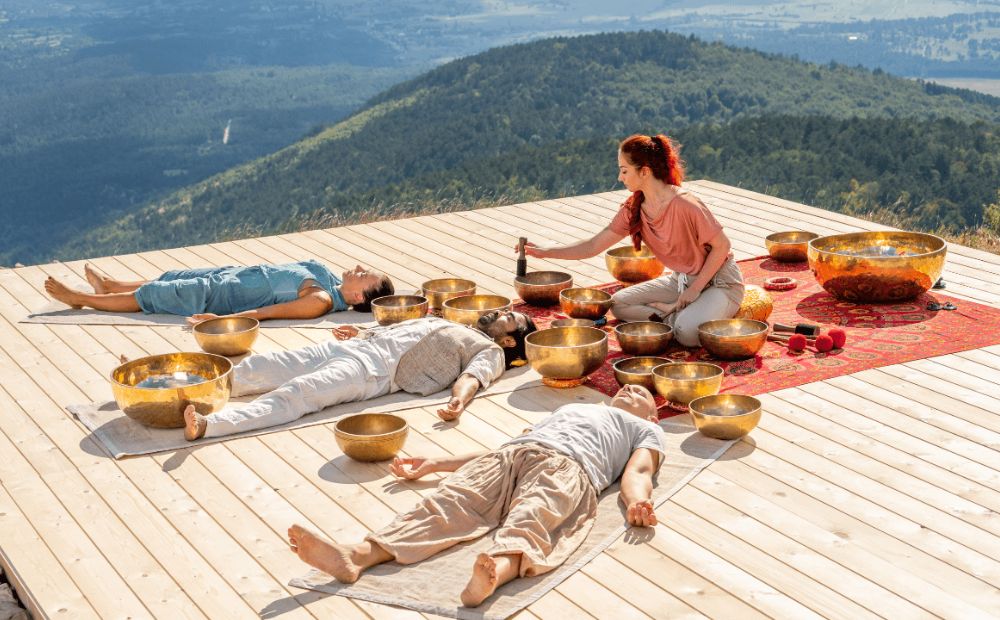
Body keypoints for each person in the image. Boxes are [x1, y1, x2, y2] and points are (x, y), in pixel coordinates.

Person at [286, 383, 665, 607]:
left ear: (652, 415)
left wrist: (636, 503)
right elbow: (507, 444)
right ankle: (356, 556)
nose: (631, 388)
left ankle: (492, 576)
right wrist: (437, 464)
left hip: (568, 468)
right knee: (450, 503)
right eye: (626, 385)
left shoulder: (644, 429)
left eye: (643, 392)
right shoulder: (572, 407)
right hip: (513, 455)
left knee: (533, 517)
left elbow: (639, 471)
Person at [519, 134, 744, 346]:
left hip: (719, 282)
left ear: (644, 172)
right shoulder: (633, 209)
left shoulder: (685, 204)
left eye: (624, 171)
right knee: (618, 304)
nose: (620, 177)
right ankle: (675, 317)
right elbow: (593, 246)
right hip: (681, 281)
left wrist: (694, 291)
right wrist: (545, 251)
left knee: (687, 335)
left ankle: (678, 318)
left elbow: (722, 246)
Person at [182, 309, 538, 440]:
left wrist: (458, 402)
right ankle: (179, 391)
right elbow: (403, 332)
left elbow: (474, 376)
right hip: (352, 349)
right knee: (258, 368)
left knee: (298, 393)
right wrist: (363, 333)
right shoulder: (448, 321)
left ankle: (210, 425)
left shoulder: (490, 350)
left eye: (510, 319)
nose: (501, 312)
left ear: (509, 340)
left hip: (372, 371)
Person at [43, 261, 394, 321]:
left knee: (156, 296)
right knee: (170, 277)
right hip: (229, 275)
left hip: (220, 297)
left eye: (364, 276)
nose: (359, 269)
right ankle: (110, 286)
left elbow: (265, 313)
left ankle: (83, 299)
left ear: (359, 297)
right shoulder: (330, 280)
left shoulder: (319, 301)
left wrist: (219, 321)